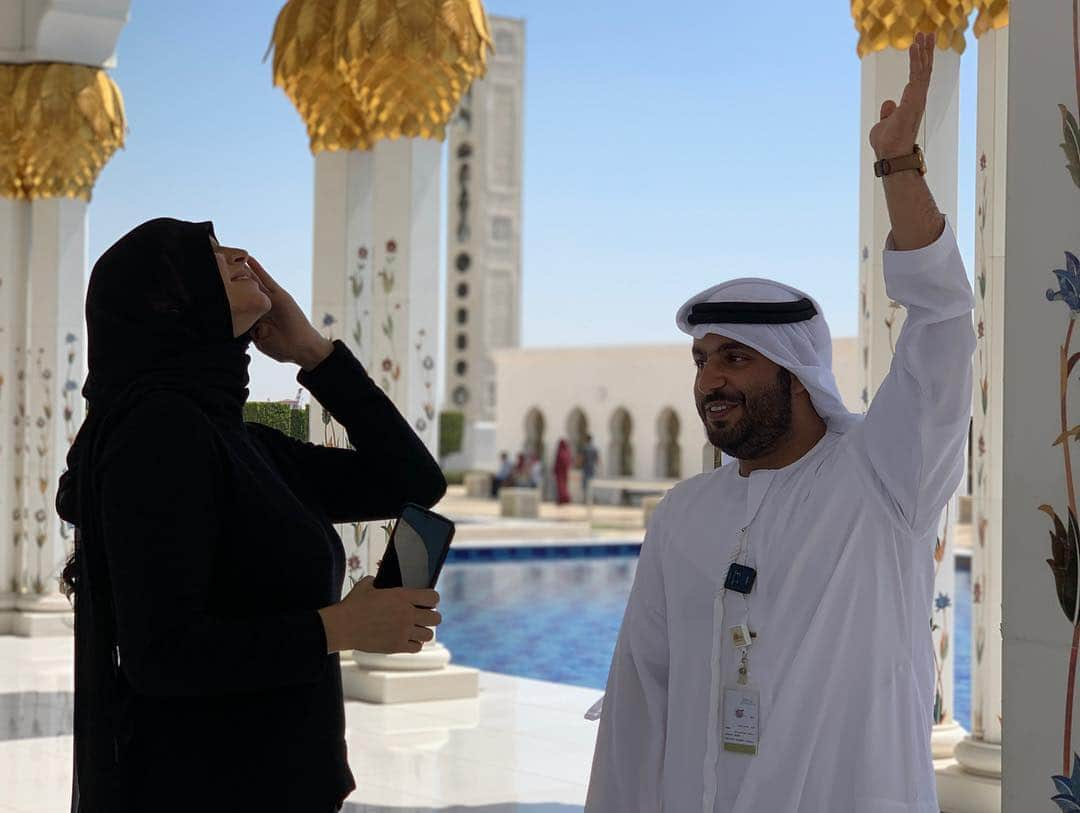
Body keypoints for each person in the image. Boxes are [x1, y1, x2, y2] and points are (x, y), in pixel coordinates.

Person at [587, 34, 972, 812]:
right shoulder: (685, 513)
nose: (710, 381)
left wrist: (899, 168)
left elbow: (943, 325)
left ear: (794, 372)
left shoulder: (882, 475)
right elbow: (638, 700)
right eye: (702, 360)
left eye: (736, 358)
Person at [56, 218, 446, 813]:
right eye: (209, 254)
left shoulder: (243, 440)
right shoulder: (159, 432)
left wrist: (315, 354)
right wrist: (339, 628)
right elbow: (161, 655)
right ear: (168, 297)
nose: (239, 254)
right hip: (207, 787)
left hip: (283, 782)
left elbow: (413, 481)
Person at [554, 439, 573, 505]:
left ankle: (563, 499)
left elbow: (558, 462)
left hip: (560, 473)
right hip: (564, 473)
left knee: (561, 486)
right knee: (563, 486)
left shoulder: (561, 452)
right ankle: (563, 499)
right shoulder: (567, 452)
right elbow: (569, 462)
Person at [581, 434, 600, 499]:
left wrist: (578, 465)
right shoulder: (594, 448)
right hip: (592, 468)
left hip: (586, 468)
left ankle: (586, 498)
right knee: (591, 483)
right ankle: (591, 497)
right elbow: (597, 459)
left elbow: (582, 458)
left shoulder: (585, 448)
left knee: (585, 484)